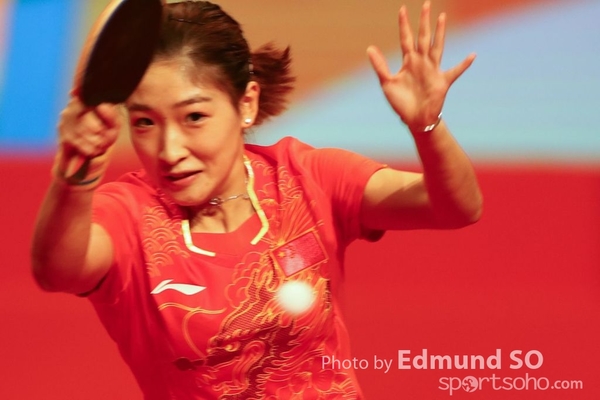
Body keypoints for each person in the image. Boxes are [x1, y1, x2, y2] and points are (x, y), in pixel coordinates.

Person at [31, 1, 482, 398]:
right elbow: (57, 271)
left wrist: (427, 126)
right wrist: (76, 171)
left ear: (246, 103)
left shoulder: (306, 178)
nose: (169, 150)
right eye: (145, 123)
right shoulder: (129, 213)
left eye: (194, 117)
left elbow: (456, 207)